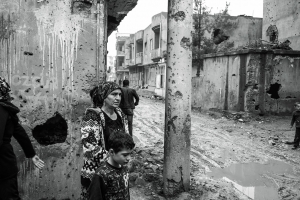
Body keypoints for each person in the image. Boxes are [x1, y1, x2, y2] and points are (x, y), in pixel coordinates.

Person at [80, 82, 129, 199]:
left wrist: (124, 158)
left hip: (118, 170)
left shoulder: (121, 114)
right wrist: (112, 160)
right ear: (104, 96)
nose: (118, 98)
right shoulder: (92, 117)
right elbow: (89, 147)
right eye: (113, 94)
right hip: (97, 173)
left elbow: (126, 141)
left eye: (120, 95)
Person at [0, 77, 44, 199]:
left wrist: (32, 155)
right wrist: (31, 154)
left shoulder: (1, 110)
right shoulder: (7, 109)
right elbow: (20, 133)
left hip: (3, 166)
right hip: (6, 165)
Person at [88, 130, 135, 200]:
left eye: (130, 154)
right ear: (112, 152)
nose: (129, 158)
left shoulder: (125, 168)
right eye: (125, 155)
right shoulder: (101, 174)